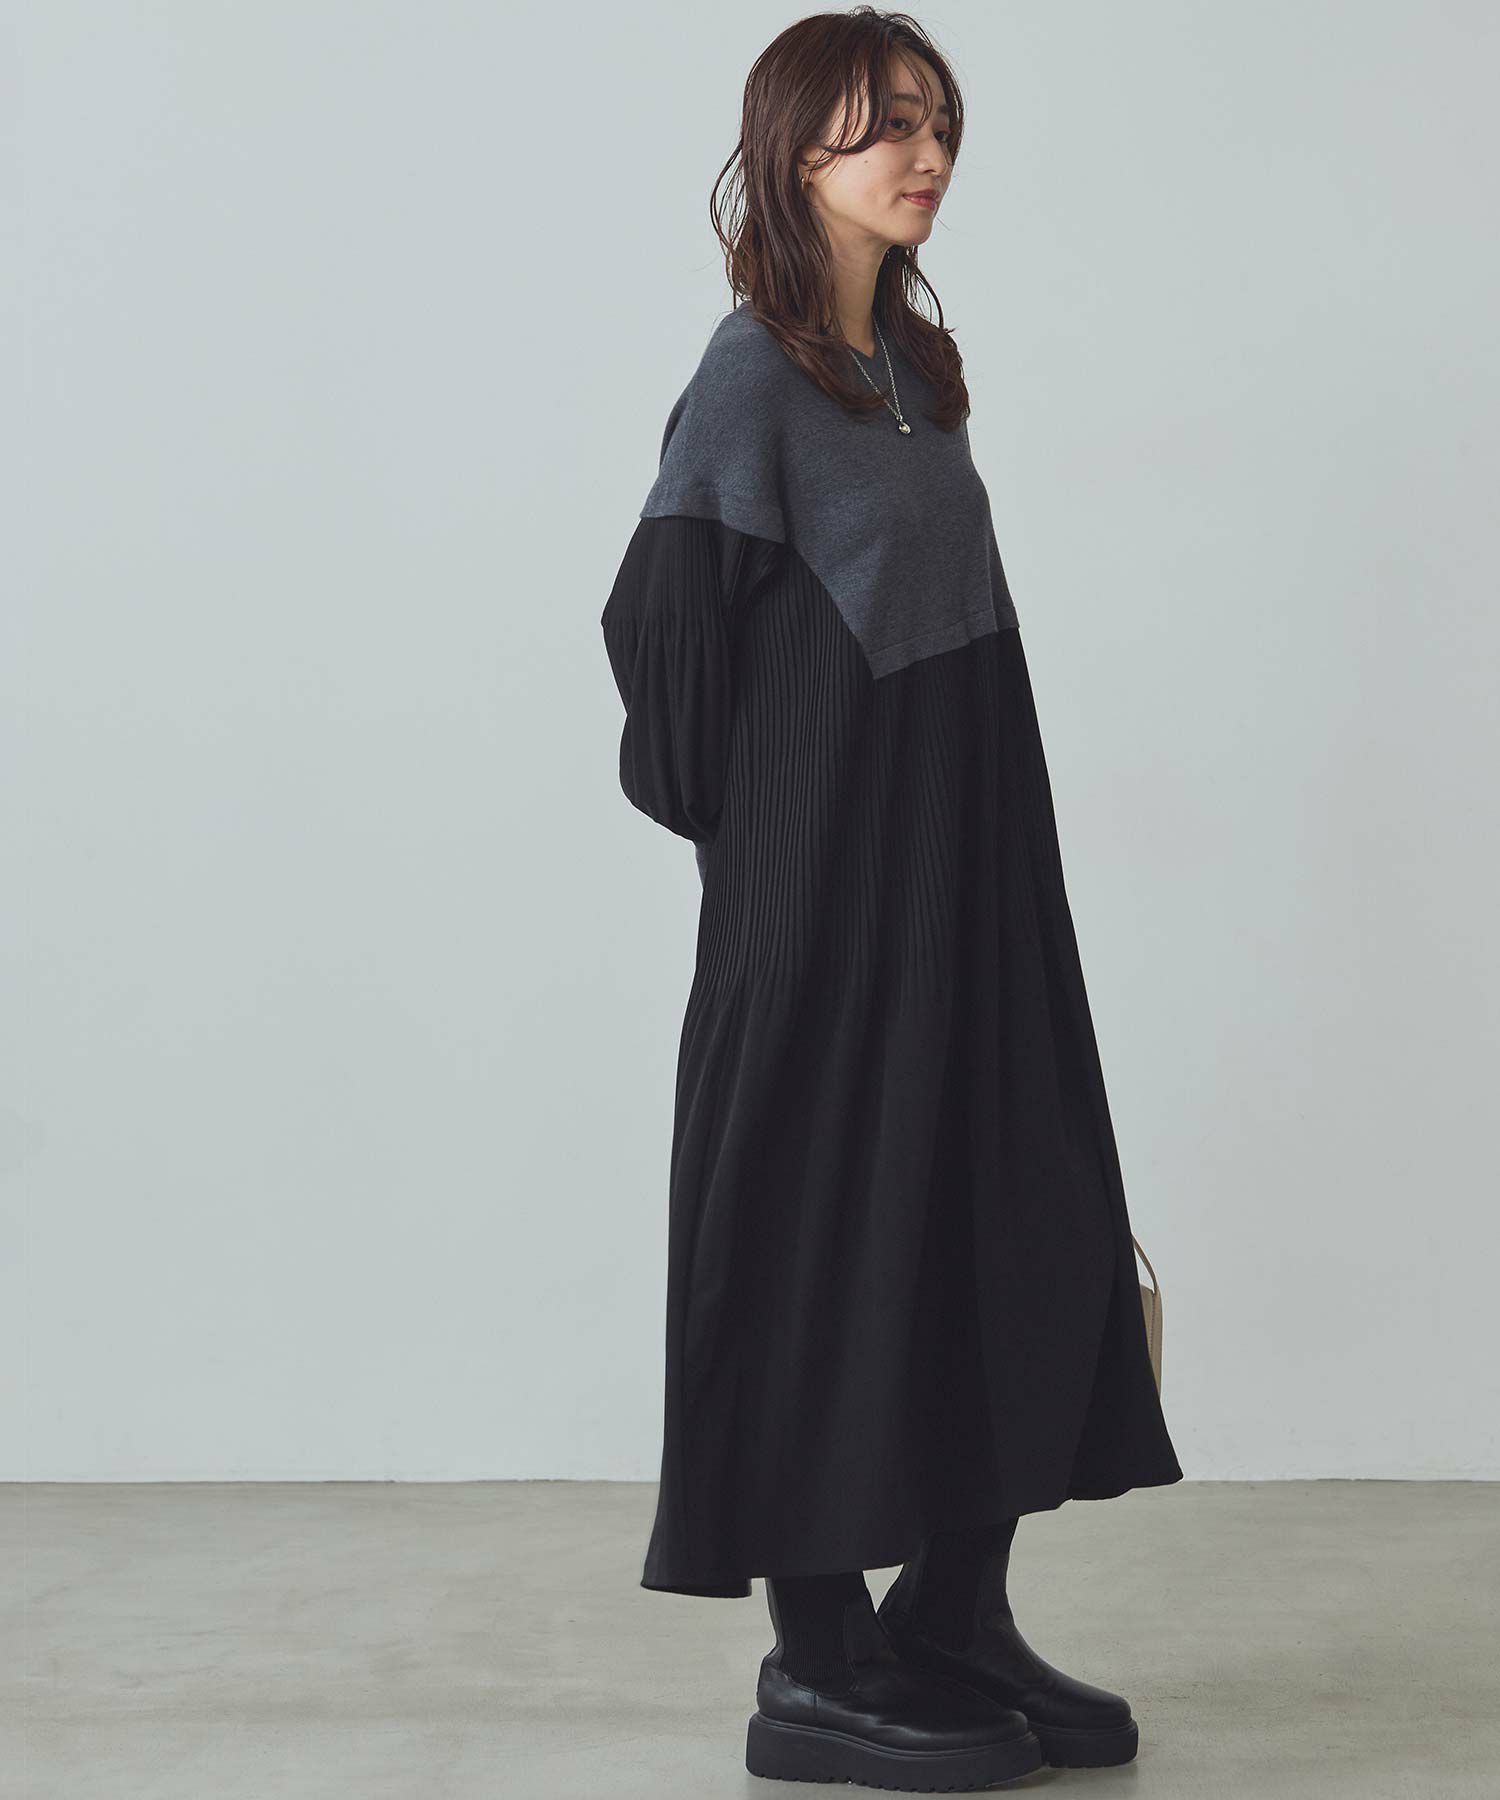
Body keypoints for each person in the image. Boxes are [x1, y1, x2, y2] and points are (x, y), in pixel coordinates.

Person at [599, 8, 1184, 1788]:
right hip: (829, 905)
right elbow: (663, 636)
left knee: (1010, 1209)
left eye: (938, 124)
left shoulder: (911, 367)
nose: (925, 155)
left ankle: (952, 1616)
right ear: (797, 154)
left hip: (973, 875)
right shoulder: (752, 378)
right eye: (883, 128)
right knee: (820, 1235)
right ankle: (818, 1658)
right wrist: (783, 839)